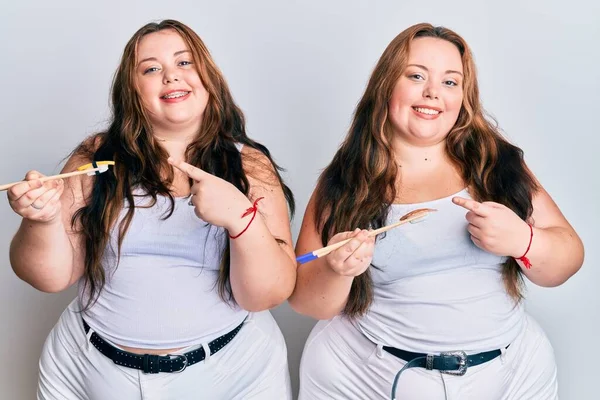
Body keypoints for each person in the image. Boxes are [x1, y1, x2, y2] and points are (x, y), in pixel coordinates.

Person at [289, 22, 584, 400]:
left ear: (463, 96)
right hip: (366, 376)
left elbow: (569, 258)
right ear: (386, 85)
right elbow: (306, 302)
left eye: (450, 82)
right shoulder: (346, 178)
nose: (432, 93)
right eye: (415, 76)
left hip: (511, 374)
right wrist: (336, 271)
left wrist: (524, 240)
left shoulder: (496, 163)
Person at [8, 19, 296, 400]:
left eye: (184, 63)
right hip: (89, 371)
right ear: (132, 91)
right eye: (152, 69)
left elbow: (268, 295)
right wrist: (41, 220)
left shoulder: (250, 166)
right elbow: (48, 277)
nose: (171, 77)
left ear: (208, 78)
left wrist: (240, 218)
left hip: (233, 374)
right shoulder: (95, 157)